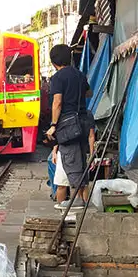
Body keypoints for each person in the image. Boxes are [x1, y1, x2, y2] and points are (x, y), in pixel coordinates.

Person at [45, 44, 94, 209]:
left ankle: (78, 200)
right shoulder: (79, 75)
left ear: (53, 62)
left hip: (68, 126)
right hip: (83, 122)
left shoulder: (58, 78)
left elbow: (57, 102)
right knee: (80, 160)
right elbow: (89, 93)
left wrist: (53, 125)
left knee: (71, 161)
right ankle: (82, 199)